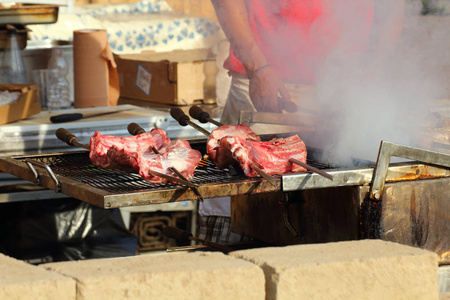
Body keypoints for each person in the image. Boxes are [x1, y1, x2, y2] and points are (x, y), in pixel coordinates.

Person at [197, 0, 405, 243]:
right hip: (266, 85)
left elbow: (393, 7)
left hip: (344, 91)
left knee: (333, 225)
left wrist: (369, 73)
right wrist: (257, 68)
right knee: (242, 212)